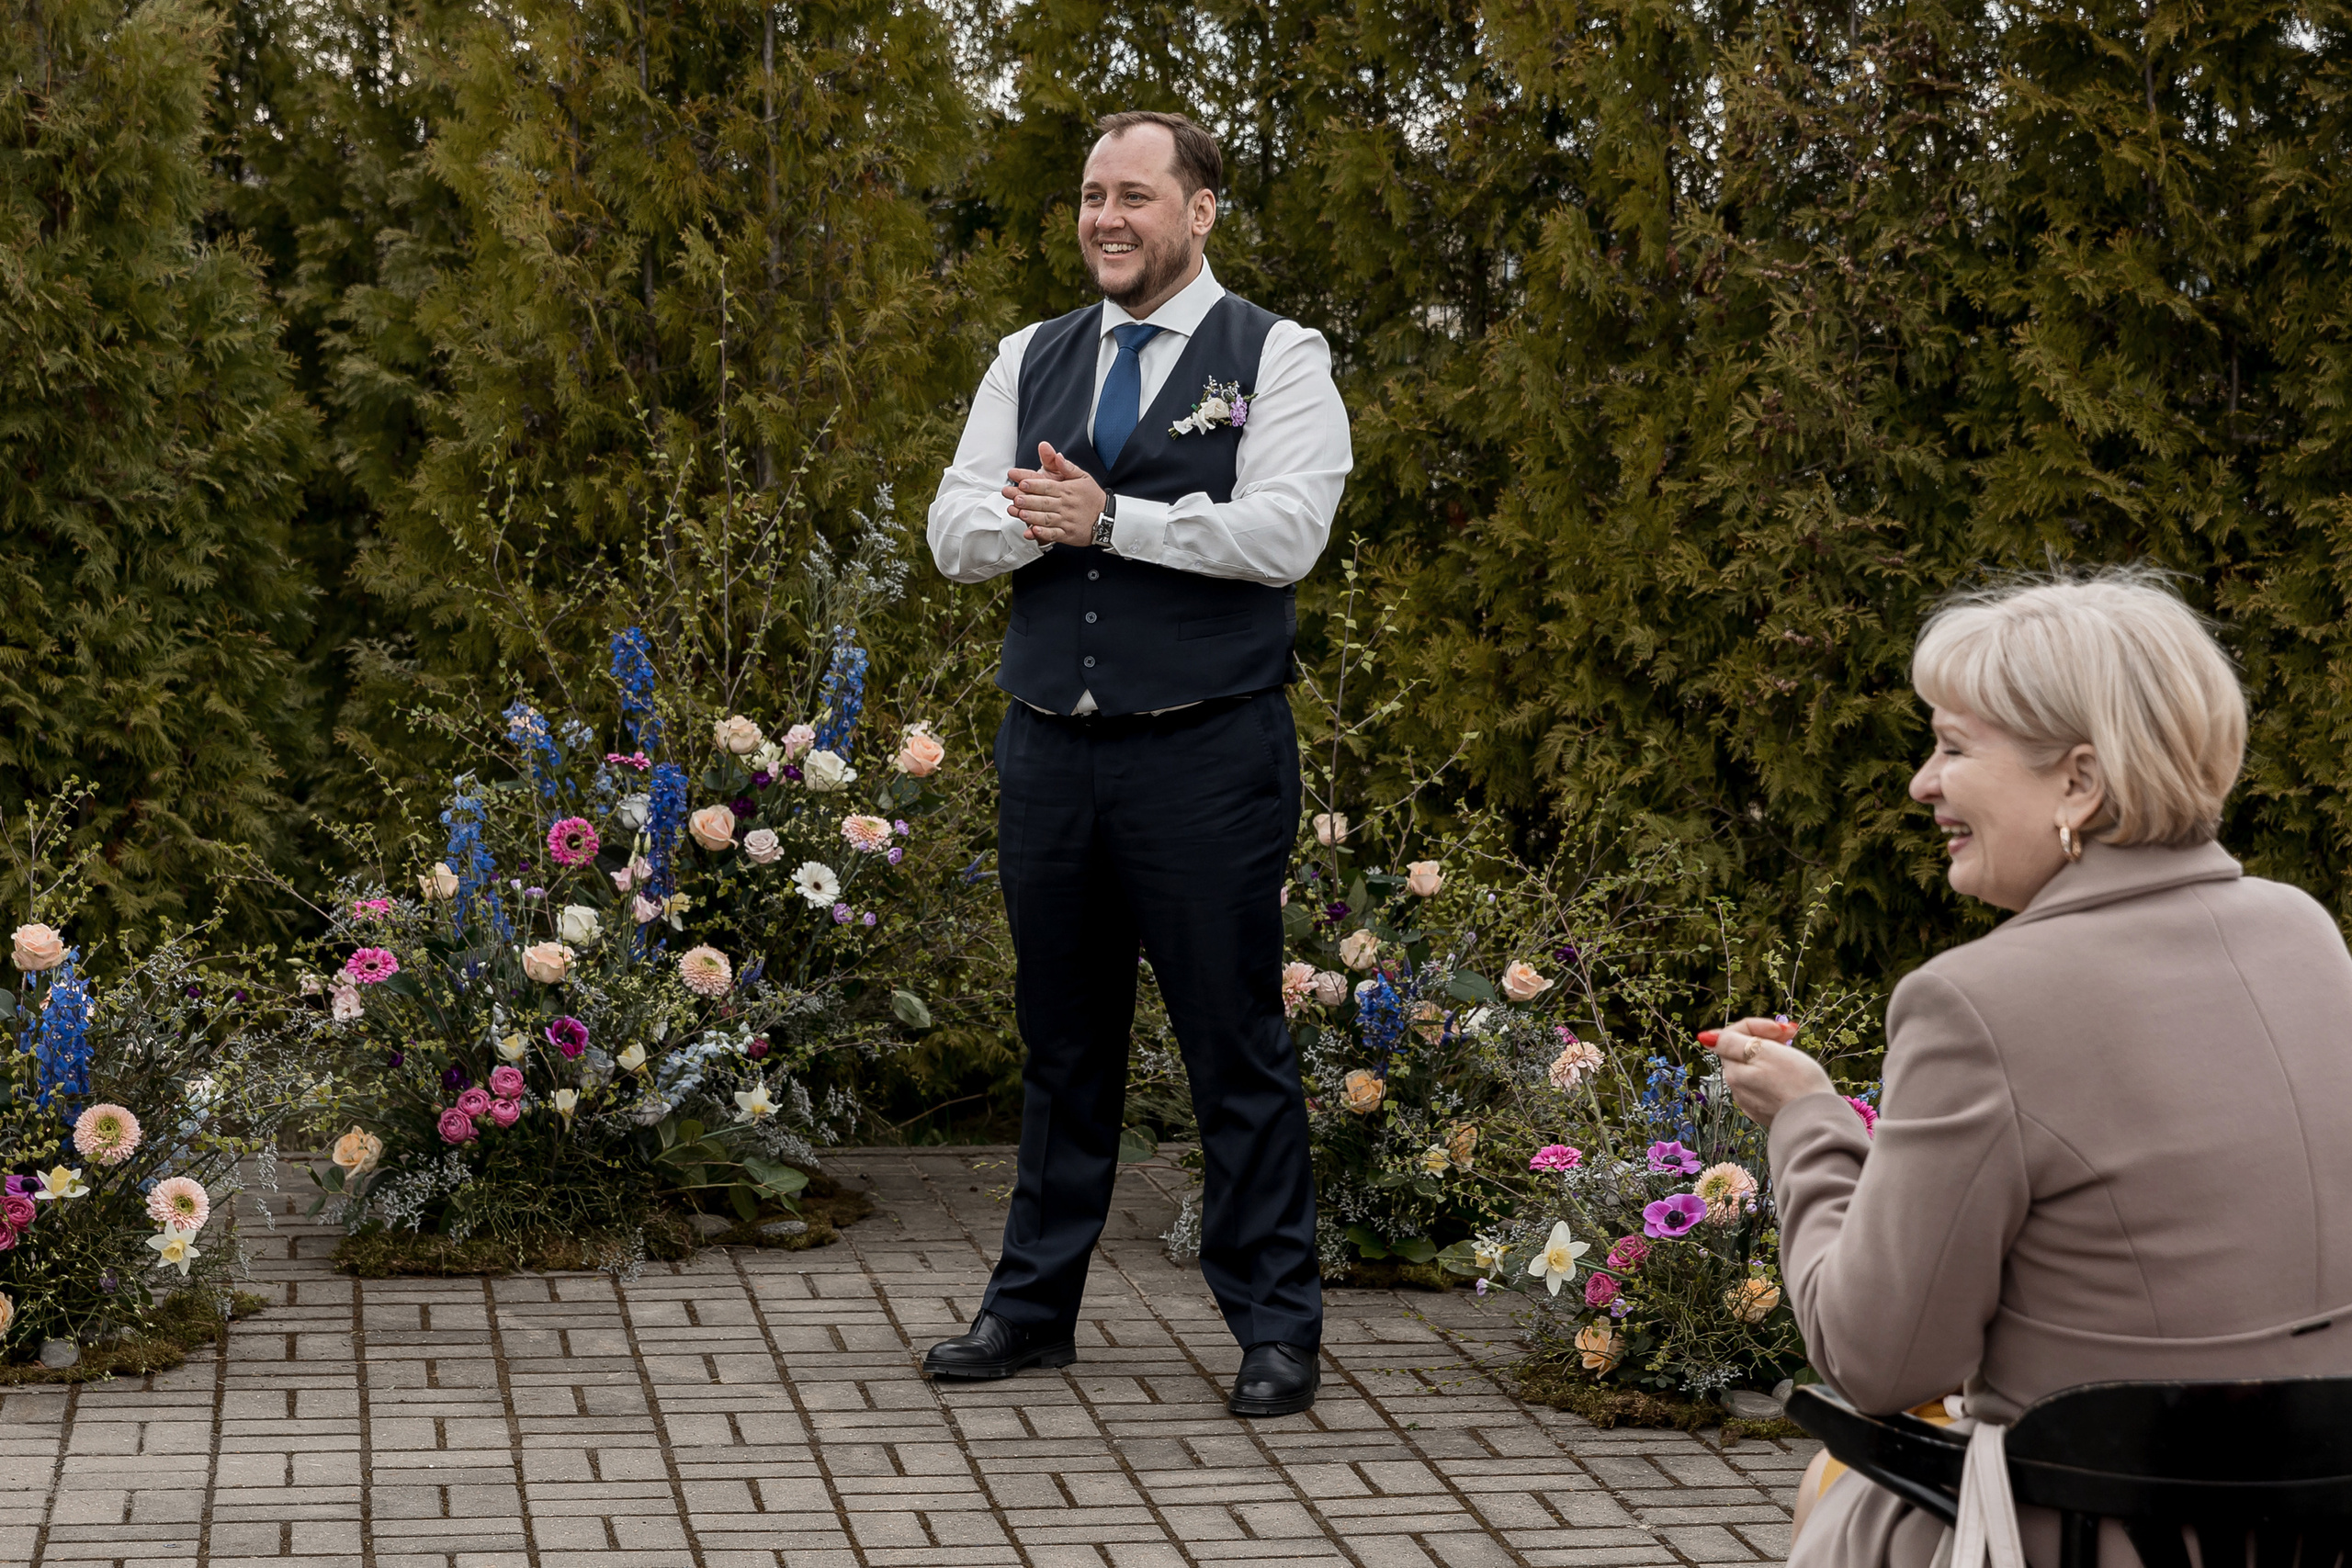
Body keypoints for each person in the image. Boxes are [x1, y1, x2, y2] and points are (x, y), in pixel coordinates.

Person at [1702, 570, 2352, 1568]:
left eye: (1954, 748)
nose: (1922, 783)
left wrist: (1806, 1120)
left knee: (1837, 1486)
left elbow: (1875, 1358)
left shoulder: (1973, 1000)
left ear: (2078, 784)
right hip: (2311, 1533)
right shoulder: (2303, 932)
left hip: (2090, 1530)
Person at [922, 110, 1351, 1417]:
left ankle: (1277, 1325)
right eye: (1092, 194)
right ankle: (1031, 1308)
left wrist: (1120, 517)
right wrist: (1031, 519)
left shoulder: (1276, 354)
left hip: (1207, 751)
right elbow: (951, 526)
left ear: (1201, 209)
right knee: (1061, 1042)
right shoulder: (1028, 354)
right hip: (1049, 748)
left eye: (1136, 195)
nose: (1106, 217)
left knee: (1235, 1041)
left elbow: (1286, 531)